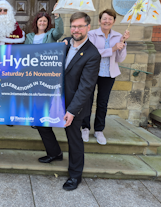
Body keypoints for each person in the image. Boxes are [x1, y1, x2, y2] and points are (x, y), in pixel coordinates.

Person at [37, 12, 101, 191]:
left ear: (88, 27)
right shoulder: (65, 43)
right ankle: (55, 153)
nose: (76, 29)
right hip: (54, 98)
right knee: (41, 124)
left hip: (75, 104)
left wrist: (72, 111)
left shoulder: (92, 54)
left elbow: (86, 87)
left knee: (74, 138)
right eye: (73, 26)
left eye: (80, 26)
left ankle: (75, 175)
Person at [81, 9, 130, 145]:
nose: (107, 21)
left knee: (103, 103)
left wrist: (123, 44)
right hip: (91, 73)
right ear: (99, 21)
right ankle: (85, 128)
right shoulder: (91, 35)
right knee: (87, 100)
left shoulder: (118, 36)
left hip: (108, 74)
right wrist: (112, 49)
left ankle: (99, 130)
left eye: (110, 19)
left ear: (114, 21)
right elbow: (92, 54)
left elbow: (119, 59)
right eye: (104, 18)